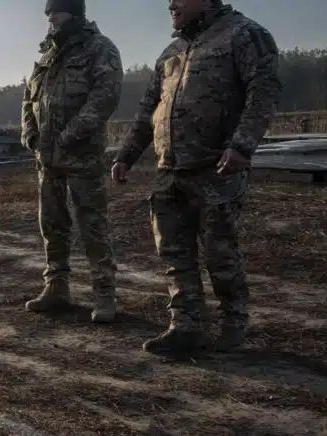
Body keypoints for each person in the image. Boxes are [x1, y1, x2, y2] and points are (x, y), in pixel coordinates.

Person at [112, 0, 281, 356]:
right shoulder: (171, 52)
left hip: (215, 168)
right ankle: (186, 325)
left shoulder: (243, 34)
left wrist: (242, 145)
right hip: (170, 170)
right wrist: (126, 155)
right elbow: (148, 109)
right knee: (174, 253)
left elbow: (264, 91)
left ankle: (233, 322)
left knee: (220, 252)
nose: (171, 4)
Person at [21, 0, 124, 323]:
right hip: (47, 158)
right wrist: (30, 134)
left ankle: (104, 294)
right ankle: (57, 287)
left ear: (75, 14)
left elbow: (105, 97)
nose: (51, 19)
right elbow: (29, 97)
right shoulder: (47, 54)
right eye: (48, 15)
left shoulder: (100, 48)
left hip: (82, 155)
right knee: (52, 224)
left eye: (57, 13)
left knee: (92, 224)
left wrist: (68, 136)